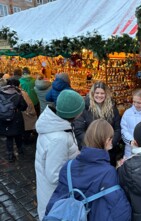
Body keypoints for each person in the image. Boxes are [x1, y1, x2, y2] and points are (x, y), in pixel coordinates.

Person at [46, 119, 132, 221]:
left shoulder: (68, 166)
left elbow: (57, 198)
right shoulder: (108, 172)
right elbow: (121, 211)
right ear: (107, 140)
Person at [35, 89, 85, 220]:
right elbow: (54, 176)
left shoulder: (58, 125)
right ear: (73, 113)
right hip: (55, 199)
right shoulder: (59, 139)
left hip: (52, 194)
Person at [73, 81, 121, 166]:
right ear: (92, 93)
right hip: (90, 150)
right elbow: (79, 130)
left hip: (108, 151)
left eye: (102, 93)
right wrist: (92, 144)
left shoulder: (112, 108)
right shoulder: (85, 108)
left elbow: (117, 128)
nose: (99, 95)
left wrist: (110, 143)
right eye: (97, 93)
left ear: (106, 94)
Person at [0, 78, 27, 162]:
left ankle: (10, 154)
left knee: (9, 137)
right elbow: (24, 107)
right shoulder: (17, 94)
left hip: (4, 118)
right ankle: (20, 150)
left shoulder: (1, 93)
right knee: (17, 134)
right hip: (16, 118)